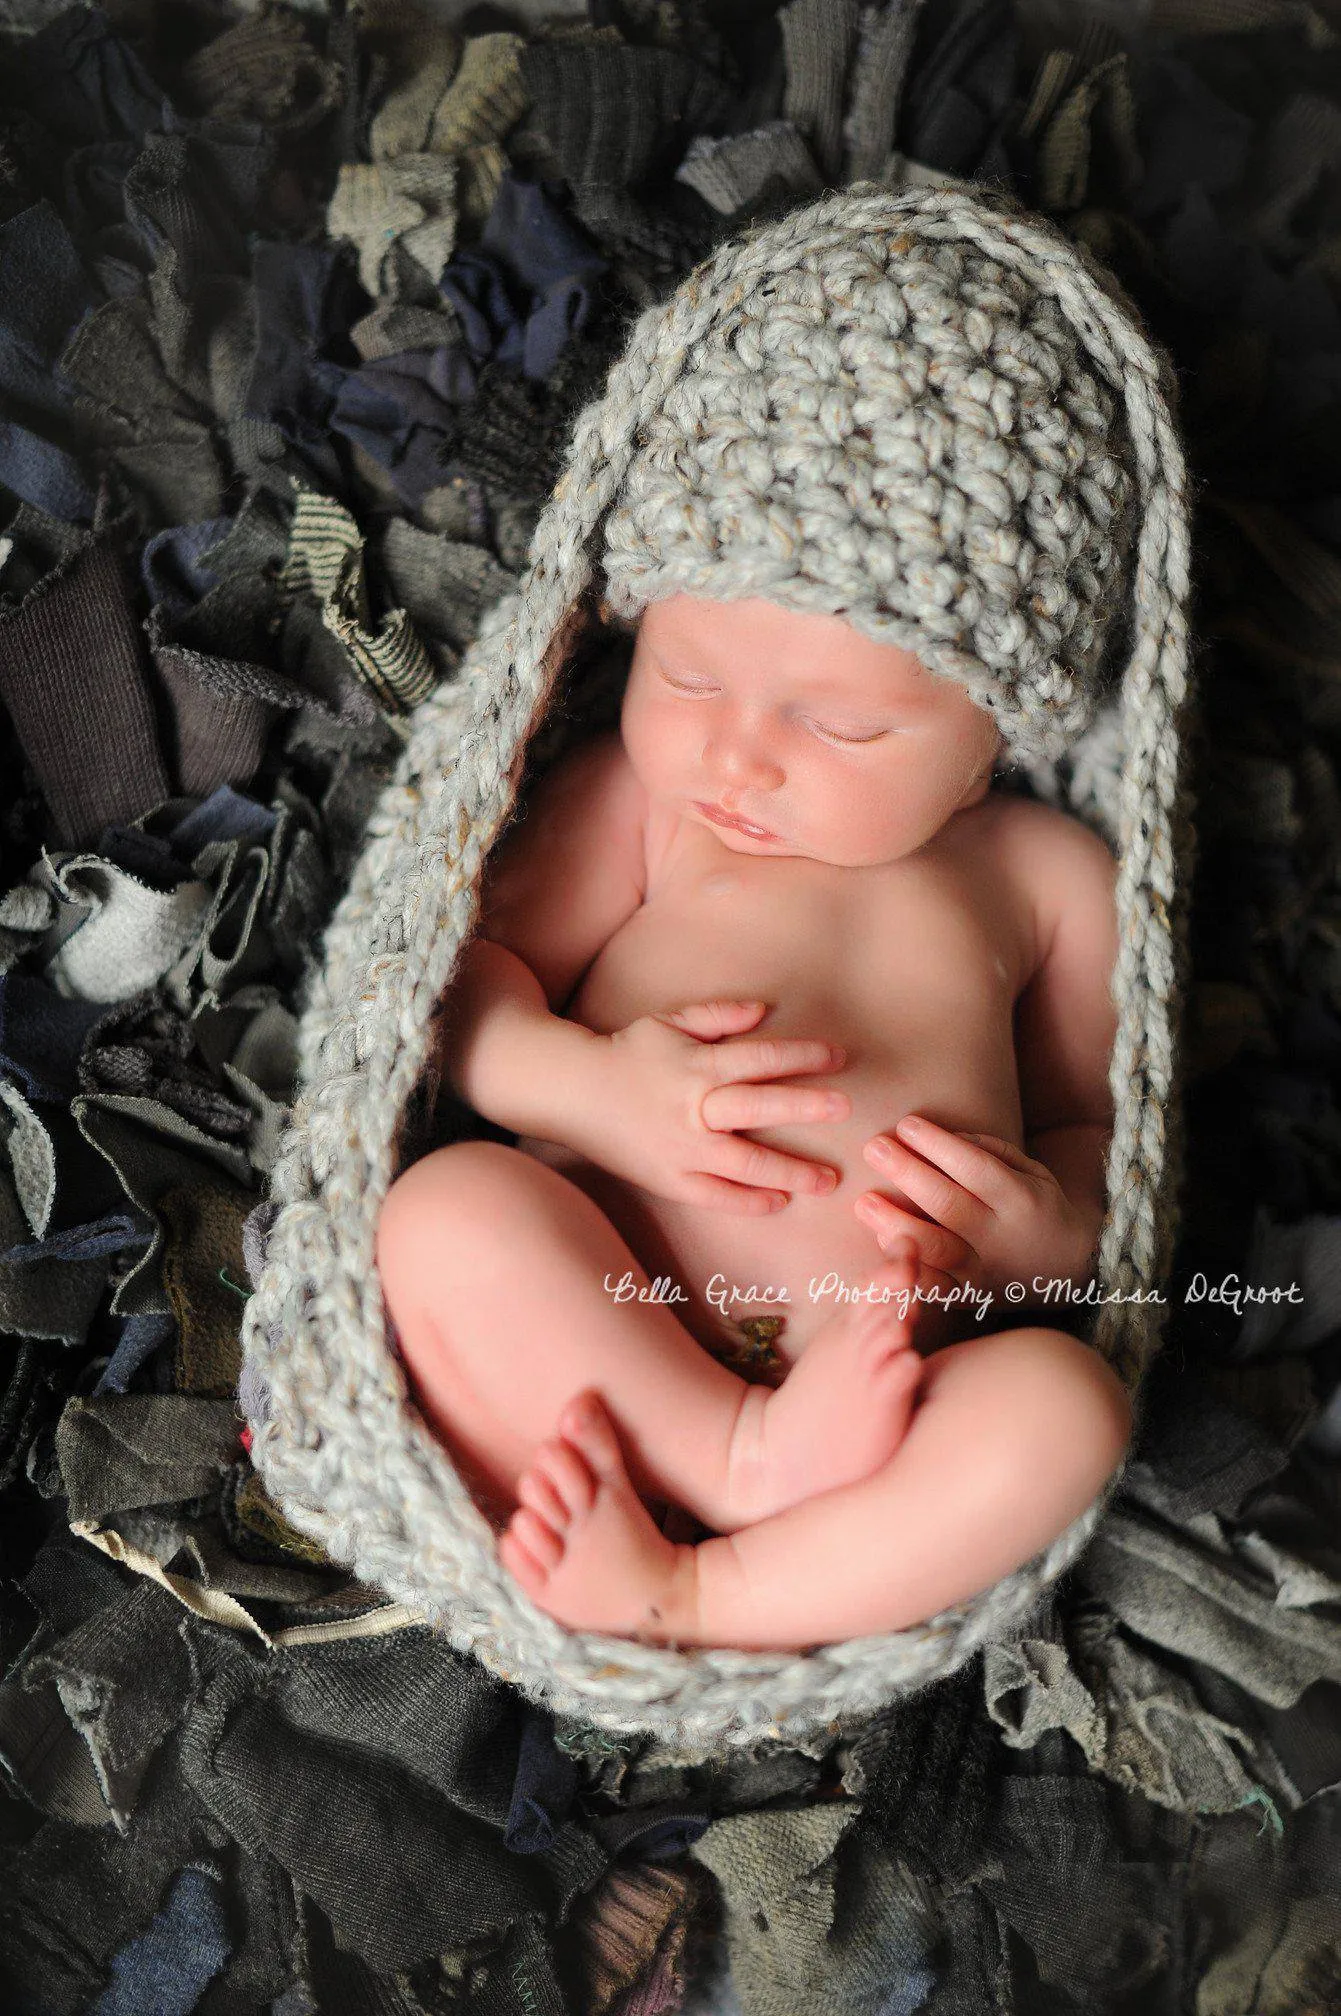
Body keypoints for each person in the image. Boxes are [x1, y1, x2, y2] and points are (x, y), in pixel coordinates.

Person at [374, 583, 1132, 1651]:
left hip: (890, 1388)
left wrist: (1042, 1242)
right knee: (442, 1209)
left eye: (842, 725)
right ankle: (731, 1458)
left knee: (1067, 1409)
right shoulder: (648, 801)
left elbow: (1093, 1132)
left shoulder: (1053, 877)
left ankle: (704, 1592)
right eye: (687, 678)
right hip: (591, 1333)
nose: (735, 760)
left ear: (991, 735)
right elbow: (468, 995)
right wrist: (589, 1091)